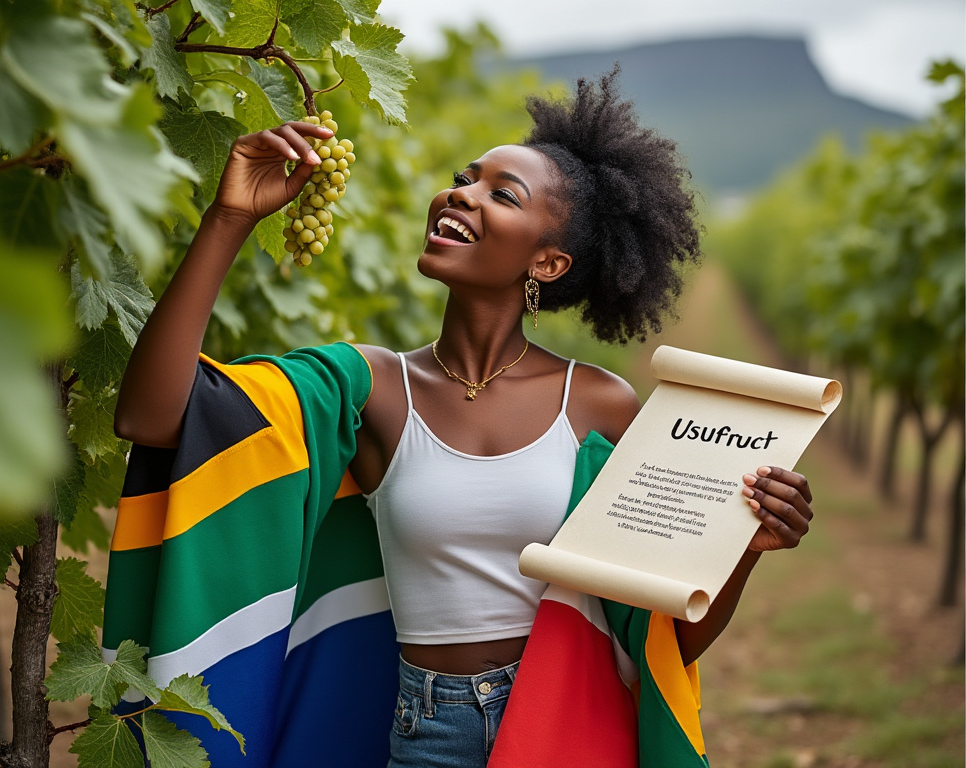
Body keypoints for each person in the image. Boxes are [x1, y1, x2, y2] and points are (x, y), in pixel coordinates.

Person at [113, 71, 813, 767]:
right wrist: (230, 217)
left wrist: (743, 551)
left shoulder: (599, 407)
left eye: (500, 194)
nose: (460, 194)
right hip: (425, 731)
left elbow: (664, 639)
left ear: (549, 259)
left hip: (567, 719)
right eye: (464, 178)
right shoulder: (370, 388)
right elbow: (152, 416)